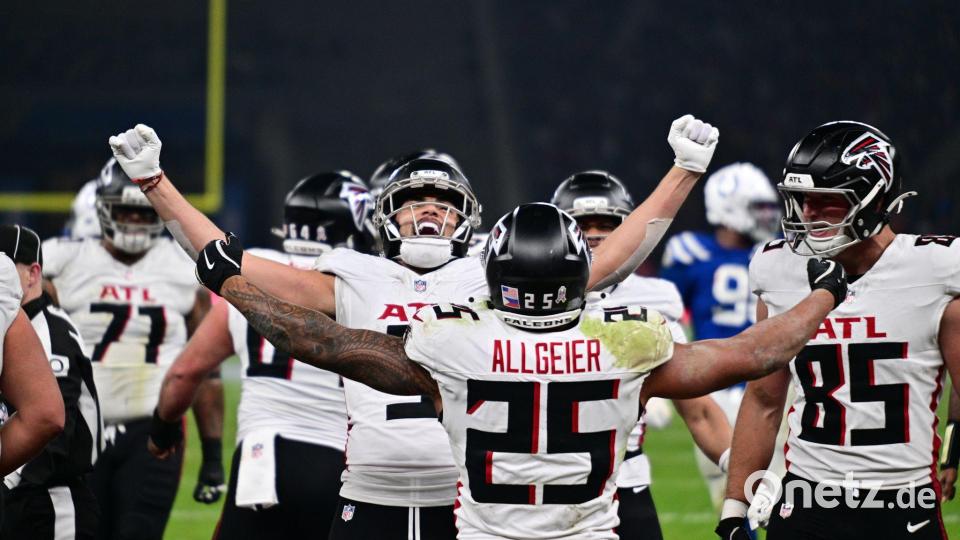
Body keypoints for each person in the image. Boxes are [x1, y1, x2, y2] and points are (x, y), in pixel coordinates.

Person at [111, 114, 720, 539]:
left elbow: (609, 259)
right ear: (387, 215)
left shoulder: (493, 273)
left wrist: (682, 173)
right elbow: (233, 263)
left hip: (461, 505)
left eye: (444, 202)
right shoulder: (351, 274)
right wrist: (156, 187)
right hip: (367, 494)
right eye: (413, 200)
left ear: (467, 220)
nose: (429, 208)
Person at [196, 201, 847, 539]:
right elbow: (754, 352)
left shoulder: (453, 342)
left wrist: (231, 281)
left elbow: (323, 343)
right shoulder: (625, 344)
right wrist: (827, 292)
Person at [716, 121, 956, 540]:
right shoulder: (778, 269)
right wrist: (735, 506)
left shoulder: (936, 270)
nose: (808, 214)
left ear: (874, 200)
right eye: (802, 200)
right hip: (808, 496)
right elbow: (763, 399)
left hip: (902, 498)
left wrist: (953, 445)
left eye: (827, 202)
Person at [150, 171, 372, 538]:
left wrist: (162, 430)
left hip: (260, 457)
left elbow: (184, 372)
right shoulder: (365, 285)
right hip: (338, 458)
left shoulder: (254, 270)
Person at [41, 159, 221, 540]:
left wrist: (213, 453)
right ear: (103, 209)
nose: (135, 223)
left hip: (153, 433)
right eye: (126, 212)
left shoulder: (182, 268)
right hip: (79, 429)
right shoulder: (62, 261)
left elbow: (205, 370)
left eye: (143, 213)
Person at [551, 170, 733, 539]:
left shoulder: (654, 298)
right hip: (542, 486)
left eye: (609, 224)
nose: (597, 235)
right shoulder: (525, 296)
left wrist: (741, 469)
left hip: (625, 483)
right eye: (583, 224)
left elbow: (698, 410)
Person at [659, 161, 780, 506]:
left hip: (769, 380)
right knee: (734, 493)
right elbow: (664, 317)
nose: (768, 216)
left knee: (780, 491)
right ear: (729, 208)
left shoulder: (774, 252)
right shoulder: (691, 252)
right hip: (718, 384)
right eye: (759, 208)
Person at [0, 225, 102, 540]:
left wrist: (7, 482)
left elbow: (53, 428)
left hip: (51, 498)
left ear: (32, 274)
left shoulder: (50, 331)